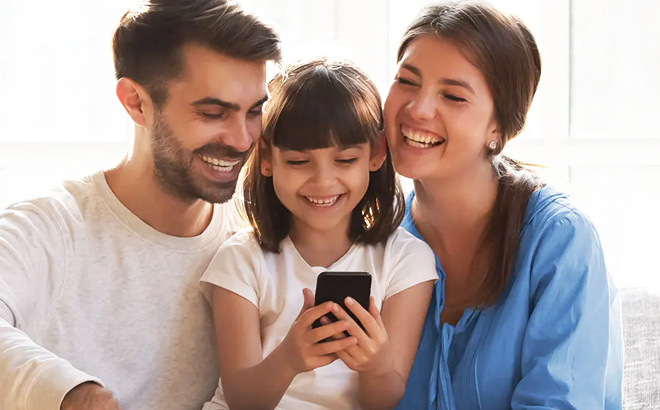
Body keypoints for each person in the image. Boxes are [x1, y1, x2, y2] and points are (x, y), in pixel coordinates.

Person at [0, 1, 280, 409]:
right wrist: (72, 394)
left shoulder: (256, 237)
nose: (242, 140)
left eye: (254, 111)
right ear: (136, 102)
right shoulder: (48, 231)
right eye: (213, 112)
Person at [383, 3, 623, 409]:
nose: (418, 109)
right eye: (407, 81)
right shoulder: (376, 243)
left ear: (498, 127)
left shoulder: (560, 239)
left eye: (453, 96)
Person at [199, 58, 438, 410]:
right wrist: (290, 358)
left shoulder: (406, 260)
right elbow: (242, 400)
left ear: (375, 154)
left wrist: (374, 364)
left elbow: (384, 399)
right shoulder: (240, 259)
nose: (323, 181)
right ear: (266, 158)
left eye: (344, 161)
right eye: (298, 162)